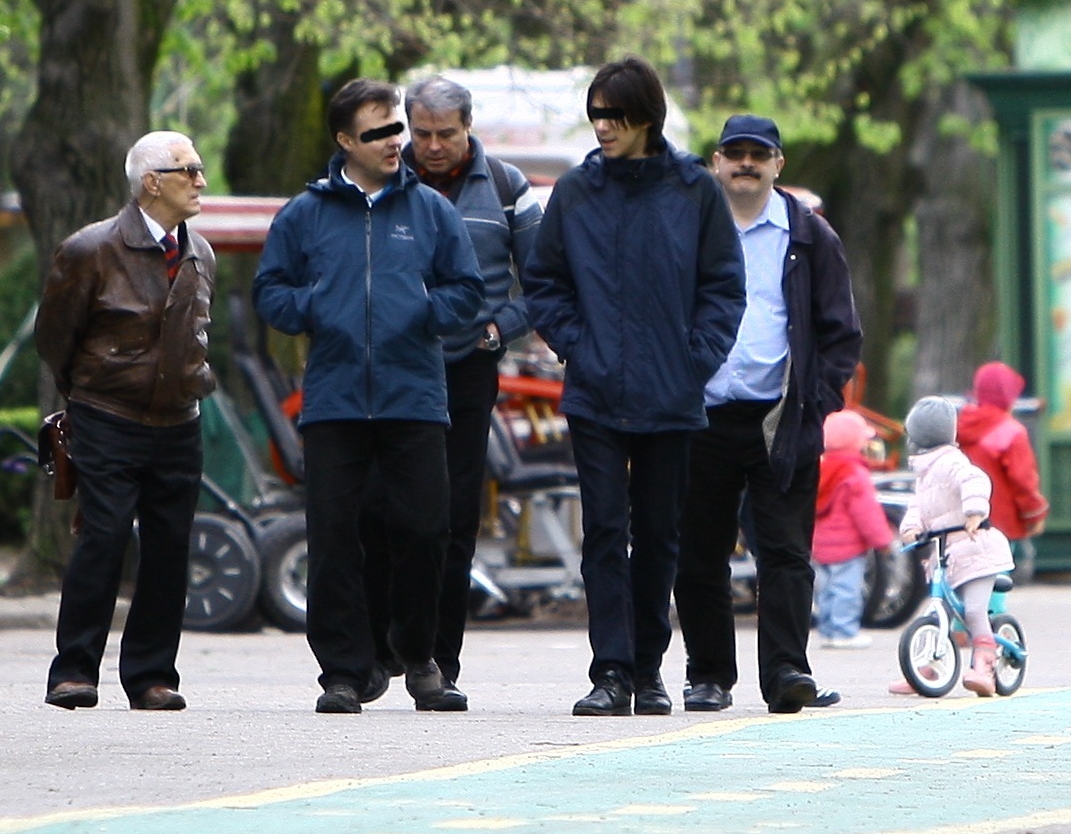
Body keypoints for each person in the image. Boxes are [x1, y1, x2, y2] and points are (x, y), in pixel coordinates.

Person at [252, 78, 485, 714]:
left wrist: (423, 307)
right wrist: (316, 306)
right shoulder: (305, 213)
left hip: (414, 398)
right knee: (333, 537)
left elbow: (468, 292)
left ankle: (418, 656)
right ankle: (344, 672)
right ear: (345, 141)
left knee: (425, 530)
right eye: (377, 132)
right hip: (333, 402)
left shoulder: (432, 211)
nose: (394, 142)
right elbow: (270, 293)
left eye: (395, 130)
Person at [523, 56, 746, 716]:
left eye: (613, 116)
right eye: (594, 116)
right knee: (602, 531)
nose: (602, 128)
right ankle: (609, 673)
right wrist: (576, 346)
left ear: (646, 117)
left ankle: (647, 671)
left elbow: (723, 286)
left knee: (658, 536)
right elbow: (544, 282)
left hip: (671, 395)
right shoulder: (575, 191)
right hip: (595, 391)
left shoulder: (693, 190)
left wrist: (693, 359)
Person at [360, 75, 542, 711]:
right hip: (391, 367)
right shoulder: (379, 179)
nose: (433, 146)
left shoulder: (509, 187)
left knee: (452, 515)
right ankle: (377, 651)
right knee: (379, 508)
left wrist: (502, 330)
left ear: (469, 127)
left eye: (447, 134)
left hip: (468, 367)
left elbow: (544, 280)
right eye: (423, 133)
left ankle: (438, 656)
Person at [672, 114, 863, 714]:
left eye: (760, 154)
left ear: (779, 164)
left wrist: (816, 402)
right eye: (736, 153)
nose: (747, 163)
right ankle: (708, 676)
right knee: (698, 552)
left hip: (780, 419)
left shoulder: (810, 237)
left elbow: (841, 335)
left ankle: (786, 671)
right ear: (715, 162)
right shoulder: (687, 228)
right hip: (700, 415)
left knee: (784, 552)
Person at [35, 131, 216, 711]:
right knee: (104, 538)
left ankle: (151, 675)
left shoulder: (200, 253)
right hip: (107, 416)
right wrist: (87, 395)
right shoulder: (90, 250)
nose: (200, 181)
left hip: (178, 421)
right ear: (151, 182)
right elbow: (54, 338)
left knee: (169, 548)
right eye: (189, 170)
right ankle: (74, 670)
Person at [899, 396, 1015, 697]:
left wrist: (975, 511)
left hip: (975, 549)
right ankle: (925, 668)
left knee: (975, 610)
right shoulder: (924, 473)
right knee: (940, 611)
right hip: (946, 554)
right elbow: (919, 506)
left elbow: (974, 480)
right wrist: (911, 528)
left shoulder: (951, 461)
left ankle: (985, 664)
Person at [812, 409, 893, 650]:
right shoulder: (854, 473)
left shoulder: (820, 470)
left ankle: (827, 629)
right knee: (846, 590)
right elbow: (867, 512)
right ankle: (844, 631)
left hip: (820, 544)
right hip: (847, 547)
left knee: (825, 589)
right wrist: (883, 541)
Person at [956, 361, 1048, 571]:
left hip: (961, 520)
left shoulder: (959, 425)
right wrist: (1035, 514)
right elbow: (1023, 480)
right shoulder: (1011, 431)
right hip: (999, 523)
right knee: (995, 582)